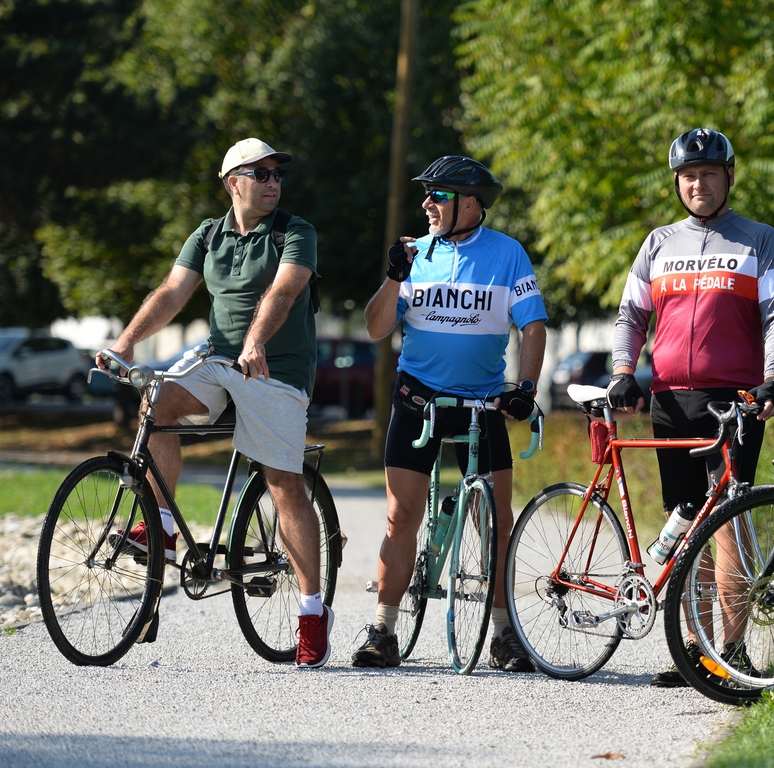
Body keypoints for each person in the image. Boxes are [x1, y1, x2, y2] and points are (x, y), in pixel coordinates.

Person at [102, 138, 332, 667]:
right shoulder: (208, 234)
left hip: (279, 369)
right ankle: (160, 528)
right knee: (154, 403)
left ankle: (313, 612)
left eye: (278, 175)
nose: (274, 182)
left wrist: (256, 342)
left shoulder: (296, 232)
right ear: (234, 182)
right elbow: (171, 292)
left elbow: (284, 291)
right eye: (262, 173)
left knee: (284, 484)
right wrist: (126, 341)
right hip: (218, 360)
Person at [609, 128, 774, 687]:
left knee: (727, 525)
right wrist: (623, 371)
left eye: (709, 174)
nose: (698, 184)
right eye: (689, 176)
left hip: (733, 400)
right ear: (677, 183)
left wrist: (773, 379)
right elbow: (629, 316)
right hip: (669, 398)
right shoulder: (659, 242)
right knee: (688, 521)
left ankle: (731, 654)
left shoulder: (759, 240)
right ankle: (696, 648)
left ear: (729, 177)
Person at [353, 155, 548, 671]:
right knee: (401, 517)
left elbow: (532, 326)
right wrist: (394, 277)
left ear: (469, 203)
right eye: (426, 195)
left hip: (482, 404)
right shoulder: (415, 253)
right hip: (418, 401)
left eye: (436, 195)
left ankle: (504, 634)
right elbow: (375, 328)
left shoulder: (507, 254)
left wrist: (525, 389)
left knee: (497, 522)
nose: (426, 204)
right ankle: (383, 629)